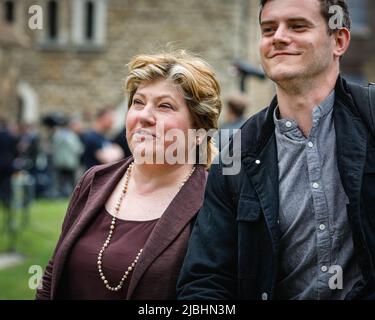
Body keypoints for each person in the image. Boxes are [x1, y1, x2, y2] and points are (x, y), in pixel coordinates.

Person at [177, 0, 375, 300]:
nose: (278, 36)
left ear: (339, 40)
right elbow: (206, 279)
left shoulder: (371, 117)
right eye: (268, 29)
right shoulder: (236, 156)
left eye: (297, 26)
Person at [36, 50, 222, 300]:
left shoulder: (213, 201)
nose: (144, 116)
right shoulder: (94, 181)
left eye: (164, 106)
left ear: (199, 132)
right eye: (138, 102)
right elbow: (52, 277)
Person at [51, 118, 84, 197]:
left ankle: (59, 195)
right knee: (71, 180)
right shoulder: (72, 136)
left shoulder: (57, 135)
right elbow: (78, 149)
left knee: (60, 180)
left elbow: (54, 147)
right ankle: (72, 195)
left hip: (59, 161)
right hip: (70, 162)